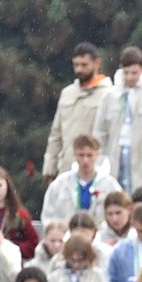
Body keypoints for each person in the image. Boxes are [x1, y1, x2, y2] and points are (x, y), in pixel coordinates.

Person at [90, 46, 142, 196]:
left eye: (134, 73)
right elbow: (99, 132)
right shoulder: (110, 95)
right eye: (126, 73)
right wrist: (98, 166)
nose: (130, 77)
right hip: (113, 159)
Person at [43, 43, 114, 181]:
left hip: (95, 169)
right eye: (76, 65)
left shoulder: (109, 94)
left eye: (84, 65)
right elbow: (56, 134)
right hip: (66, 167)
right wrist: (49, 166)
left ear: (97, 63)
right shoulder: (67, 93)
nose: (79, 69)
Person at [42, 134, 123, 225]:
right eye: (81, 155)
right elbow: (48, 215)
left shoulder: (109, 185)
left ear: (97, 155)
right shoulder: (60, 184)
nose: (85, 160)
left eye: (89, 155)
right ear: (74, 155)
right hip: (67, 236)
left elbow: (121, 212)